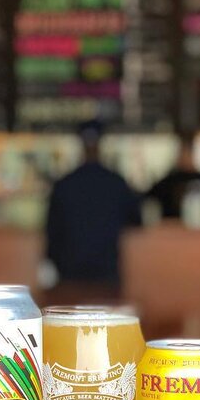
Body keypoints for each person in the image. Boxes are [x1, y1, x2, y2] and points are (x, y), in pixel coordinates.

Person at [45, 120, 140, 289]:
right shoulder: (117, 183)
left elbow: (51, 231)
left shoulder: (64, 185)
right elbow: (136, 222)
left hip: (70, 271)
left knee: (70, 305)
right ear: (100, 145)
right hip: (107, 270)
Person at [146, 132, 200, 220]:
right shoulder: (167, 181)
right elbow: (148, 197)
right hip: (172, 225)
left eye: (187, 152)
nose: (184, 156)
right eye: (182, 151)